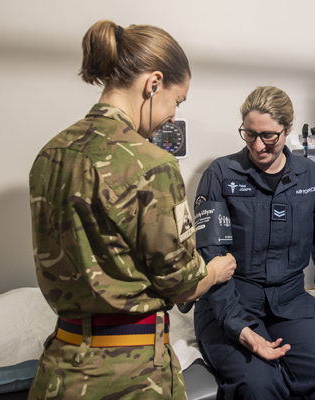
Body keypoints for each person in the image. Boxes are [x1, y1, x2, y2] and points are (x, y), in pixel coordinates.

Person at [28, 20, 236, 400]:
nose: (174, 115)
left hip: (61, 368)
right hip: (131, 375)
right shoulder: (152, 164)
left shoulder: (50, 155)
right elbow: (182, 284)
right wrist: (214, 272)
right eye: (178, 100)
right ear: (153, 83)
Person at [193, 86, 315, 399]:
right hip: (229, 303)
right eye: (249, 134)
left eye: (269, 136)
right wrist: (237, 326)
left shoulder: (310, 177)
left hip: (290, 302)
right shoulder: (221, 174)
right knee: (260, 386)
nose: (258, 146)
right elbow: (212, 256)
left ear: (288, 129)